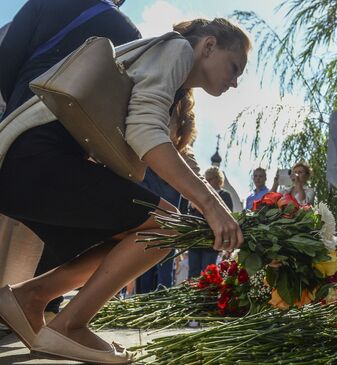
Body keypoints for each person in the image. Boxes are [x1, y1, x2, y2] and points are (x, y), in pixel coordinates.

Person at [0, 17, 250, 364]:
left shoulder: (173, 77)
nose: (236, 82)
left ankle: (30, 298)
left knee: (139, 235)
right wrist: (210, 204)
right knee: (166, 224)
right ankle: (68, 325)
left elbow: (152, 136)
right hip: (37, 159)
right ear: (208, 45)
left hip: (28, 166)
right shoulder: (176, 49)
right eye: (234, 66)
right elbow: (144, 132)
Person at [0, 0, 142, 321]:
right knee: (52, 226)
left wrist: (19, 103)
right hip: (66, 140)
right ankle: (37, 306)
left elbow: (6, 58)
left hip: (14, 123)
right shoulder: (125, 30)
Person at [135, 92, 198, 294]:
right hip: (148, 185)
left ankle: (157, 299)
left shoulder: (183, 150)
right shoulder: (161, 94)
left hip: (169, 199)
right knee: (142, 252)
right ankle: (142, 301)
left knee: (165, 259)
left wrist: (203, 199)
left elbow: (194, 173)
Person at [188, 166, 232, 278]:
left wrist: (199, 206)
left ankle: (206, 296)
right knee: (192, 275)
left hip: (211, 243)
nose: (206, 182)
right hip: (196, 242)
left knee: (208, 275)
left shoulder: (224, 195)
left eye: (210, 179)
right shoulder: (200, 195)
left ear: (218, 179)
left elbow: (224, 217)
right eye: (205, 179)